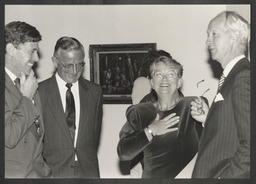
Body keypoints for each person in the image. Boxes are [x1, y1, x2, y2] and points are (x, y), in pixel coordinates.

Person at [117, 55, 204, 178]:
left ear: (179, 82)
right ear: (152, 83)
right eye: (158, 75)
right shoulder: (140, 112)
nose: (164, 80)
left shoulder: (193, 106)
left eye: (171, 74)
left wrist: (206, 118)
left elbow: (213, 143)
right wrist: (150, 130)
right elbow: (124, 153)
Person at [191, 11, 250, 178]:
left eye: (214, 34)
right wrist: (208, 118)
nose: (208, 40)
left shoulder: (243, 76)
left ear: (235, 37)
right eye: (208, 35)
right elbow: (232, 132)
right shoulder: (234, 74)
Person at [39, 36, 103, 178]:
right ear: (55, 62)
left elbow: (94, 135)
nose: (74, 71)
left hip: (87, 171)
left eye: (80, 65)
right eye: (68, 65)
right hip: (52, 172)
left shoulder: (95, 92)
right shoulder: (39, 92)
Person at [5, 21, 51, 178]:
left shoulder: (28, 82)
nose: (37, 58)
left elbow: (37, 134)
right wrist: (26, 98)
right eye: (32, 52)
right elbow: (9, 137)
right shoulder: (28, 89)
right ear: (11, 49)